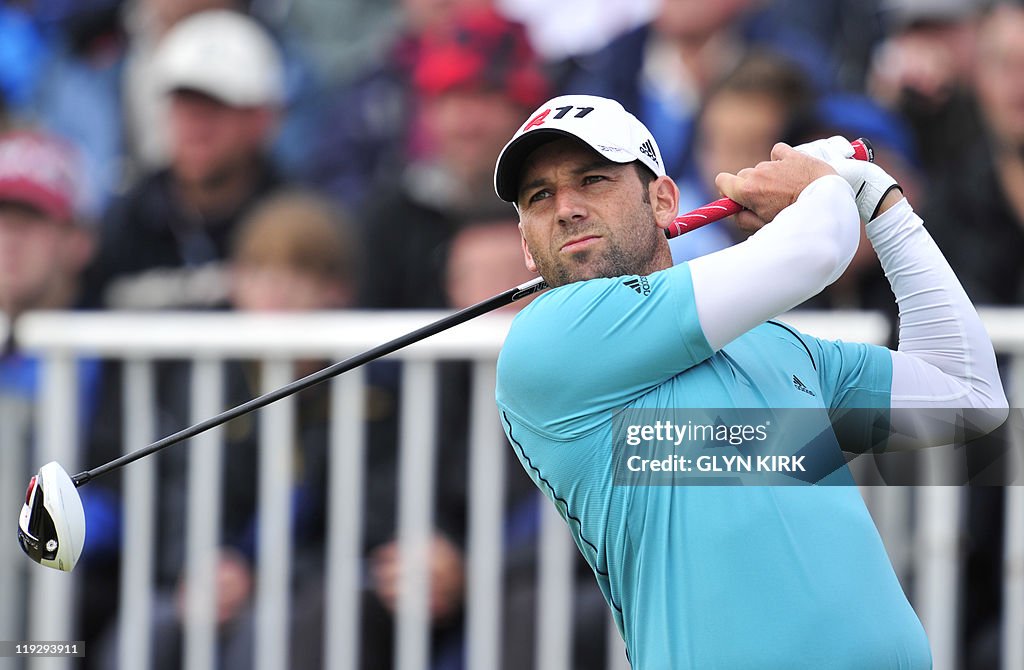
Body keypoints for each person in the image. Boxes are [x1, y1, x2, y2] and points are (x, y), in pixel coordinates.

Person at [490, 94, 1007, 668]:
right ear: (526, 246)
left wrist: (882, 204)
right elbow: (815, 250)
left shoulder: (773, 344)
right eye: (540, 196)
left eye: (592, 180)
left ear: (662, 200)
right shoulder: (547, 343)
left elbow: (966, 399)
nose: (566, 208)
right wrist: (830, 183)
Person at [81, 8, 287, 310]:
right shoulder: (124, 222)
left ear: (260, 120)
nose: (196, 127)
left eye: (216, 108)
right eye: (184, 107)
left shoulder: (295, 222)